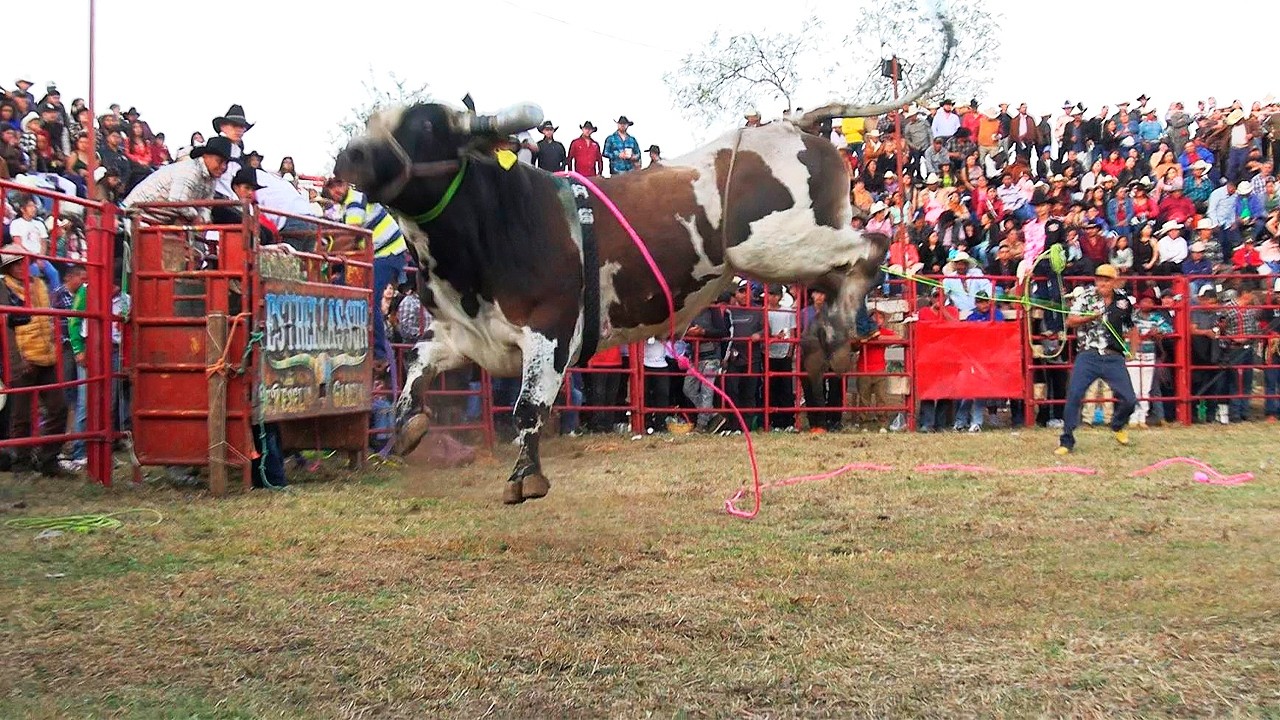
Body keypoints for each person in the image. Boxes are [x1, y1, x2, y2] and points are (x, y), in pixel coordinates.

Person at [1055, 264, 1141, 455]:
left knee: (1129, 399)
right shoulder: (1086, 297)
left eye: (1106, 279)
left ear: (1114, 282)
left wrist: (1133, 351)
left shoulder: (1123, 301)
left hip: (1113, 356)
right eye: (1099, 279)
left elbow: (1133, 327)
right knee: (1074, 395)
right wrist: (1091, 317)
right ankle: (1066, 440)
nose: (1101, 282)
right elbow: (1070, 321)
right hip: (1088, 354)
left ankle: (1118, 425)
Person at [323, 176, 408, 369]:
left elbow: (351, 235)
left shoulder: (354, 200)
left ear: (346, 184)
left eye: (339, 184)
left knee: (370, 298)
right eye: (332, 187)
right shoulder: (346, 206)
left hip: (387, 253)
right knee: (339, 286)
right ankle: (346, 342)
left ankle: (379, 353)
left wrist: (325, 255)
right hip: (376, 255)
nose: (336, 190)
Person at [0, 245, 67, 475]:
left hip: (46, 354)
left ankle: (48, 460)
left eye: (22, 262)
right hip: (23, 356)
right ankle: (22, 463)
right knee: (21, 416)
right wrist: (16, 360)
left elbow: (47, 316)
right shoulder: (3, 287)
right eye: (15, 263)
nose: (20, 267)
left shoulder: (38, 284)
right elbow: (6, 330)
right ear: (8, 267)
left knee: (59, 408)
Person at [123, 136, 233, 223]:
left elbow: (206, 206)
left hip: (158, 219)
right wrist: (196, 217)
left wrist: (203, 218)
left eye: (226, 163)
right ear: (205, 156)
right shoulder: (190, 171)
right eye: (219, 161)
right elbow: (177, 202)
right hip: (137, 216)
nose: (223, 167)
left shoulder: (211, 179)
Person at [683, 300, 729, 433]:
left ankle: (701, 425)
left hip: (711, 356)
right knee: (688, 388)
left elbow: (722, 332)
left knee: (706, 392)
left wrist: (702, 332)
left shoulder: (712, 309)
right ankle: (713, 415)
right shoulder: (689, 310)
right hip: (695, 356)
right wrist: (689, 333)